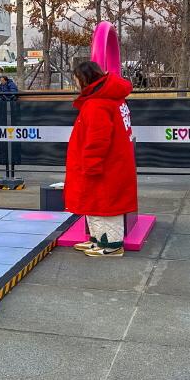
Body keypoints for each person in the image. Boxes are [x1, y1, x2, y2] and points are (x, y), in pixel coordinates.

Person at [64, 61, 137, 257]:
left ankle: (111, 245)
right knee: (97, 202)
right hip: (115, 162)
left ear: (84, 79)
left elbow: (98, 139)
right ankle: (97, 240)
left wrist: (91, 164)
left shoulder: (97, 104)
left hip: (104, 165)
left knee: (105, 204)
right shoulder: (114, 98)